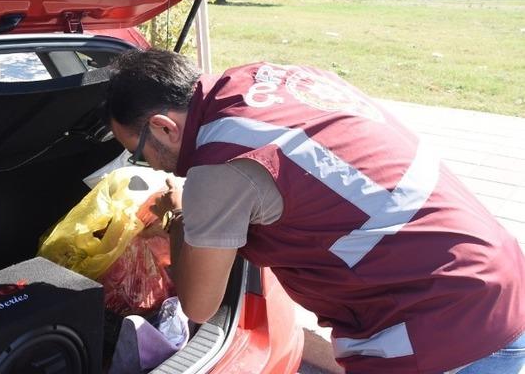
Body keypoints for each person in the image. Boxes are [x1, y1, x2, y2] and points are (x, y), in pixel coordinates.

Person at [103, 49, 525, 374]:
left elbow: (198, 305)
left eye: (138, 154)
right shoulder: (266, 78)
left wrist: (180, 212)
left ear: (163, 127)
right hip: (490, 272)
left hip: (442, 328)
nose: (151, 167)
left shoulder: (220, 167)